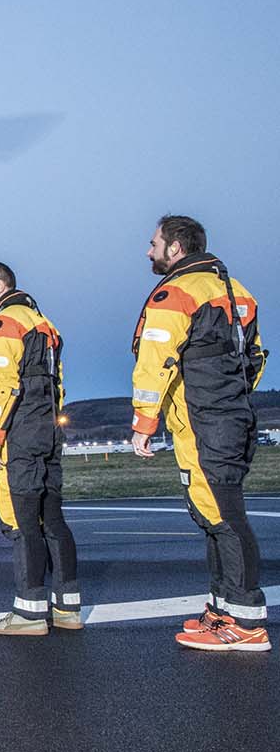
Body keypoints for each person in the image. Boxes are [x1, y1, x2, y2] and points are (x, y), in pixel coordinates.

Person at [131, 215, 269, 651]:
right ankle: (223, 609)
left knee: (225, 518)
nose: (149, 251)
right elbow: (254, 357)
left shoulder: (176, 293)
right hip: (228, 416)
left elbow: (155, 362)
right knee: (212, 515)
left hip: (202, 421)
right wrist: (231, 399)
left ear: (175, 248)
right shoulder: (236, 291)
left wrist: (144, 422)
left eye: (154, 243)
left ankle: (247, 622)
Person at [0, 261, 82, 636]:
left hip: (20, 431)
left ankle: (29, 612)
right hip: (46, 429)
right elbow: (57, 382)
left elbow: (2, 384)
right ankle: (67, 608)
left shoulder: (4, 323)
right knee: (54, 520)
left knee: (23, 521)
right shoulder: (43, 323)